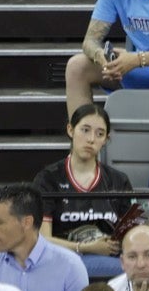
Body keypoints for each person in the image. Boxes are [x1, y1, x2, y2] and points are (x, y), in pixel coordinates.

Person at [34, 106, 136, 276]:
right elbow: (42, 240)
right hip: (61, 261)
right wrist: (86, 248)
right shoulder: (48, 179)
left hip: (112, 261)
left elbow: (133, 235)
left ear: (106, 140)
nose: (91, 139)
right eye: (85, 130)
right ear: (70, 130)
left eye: (100, 134)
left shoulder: (119, 180)